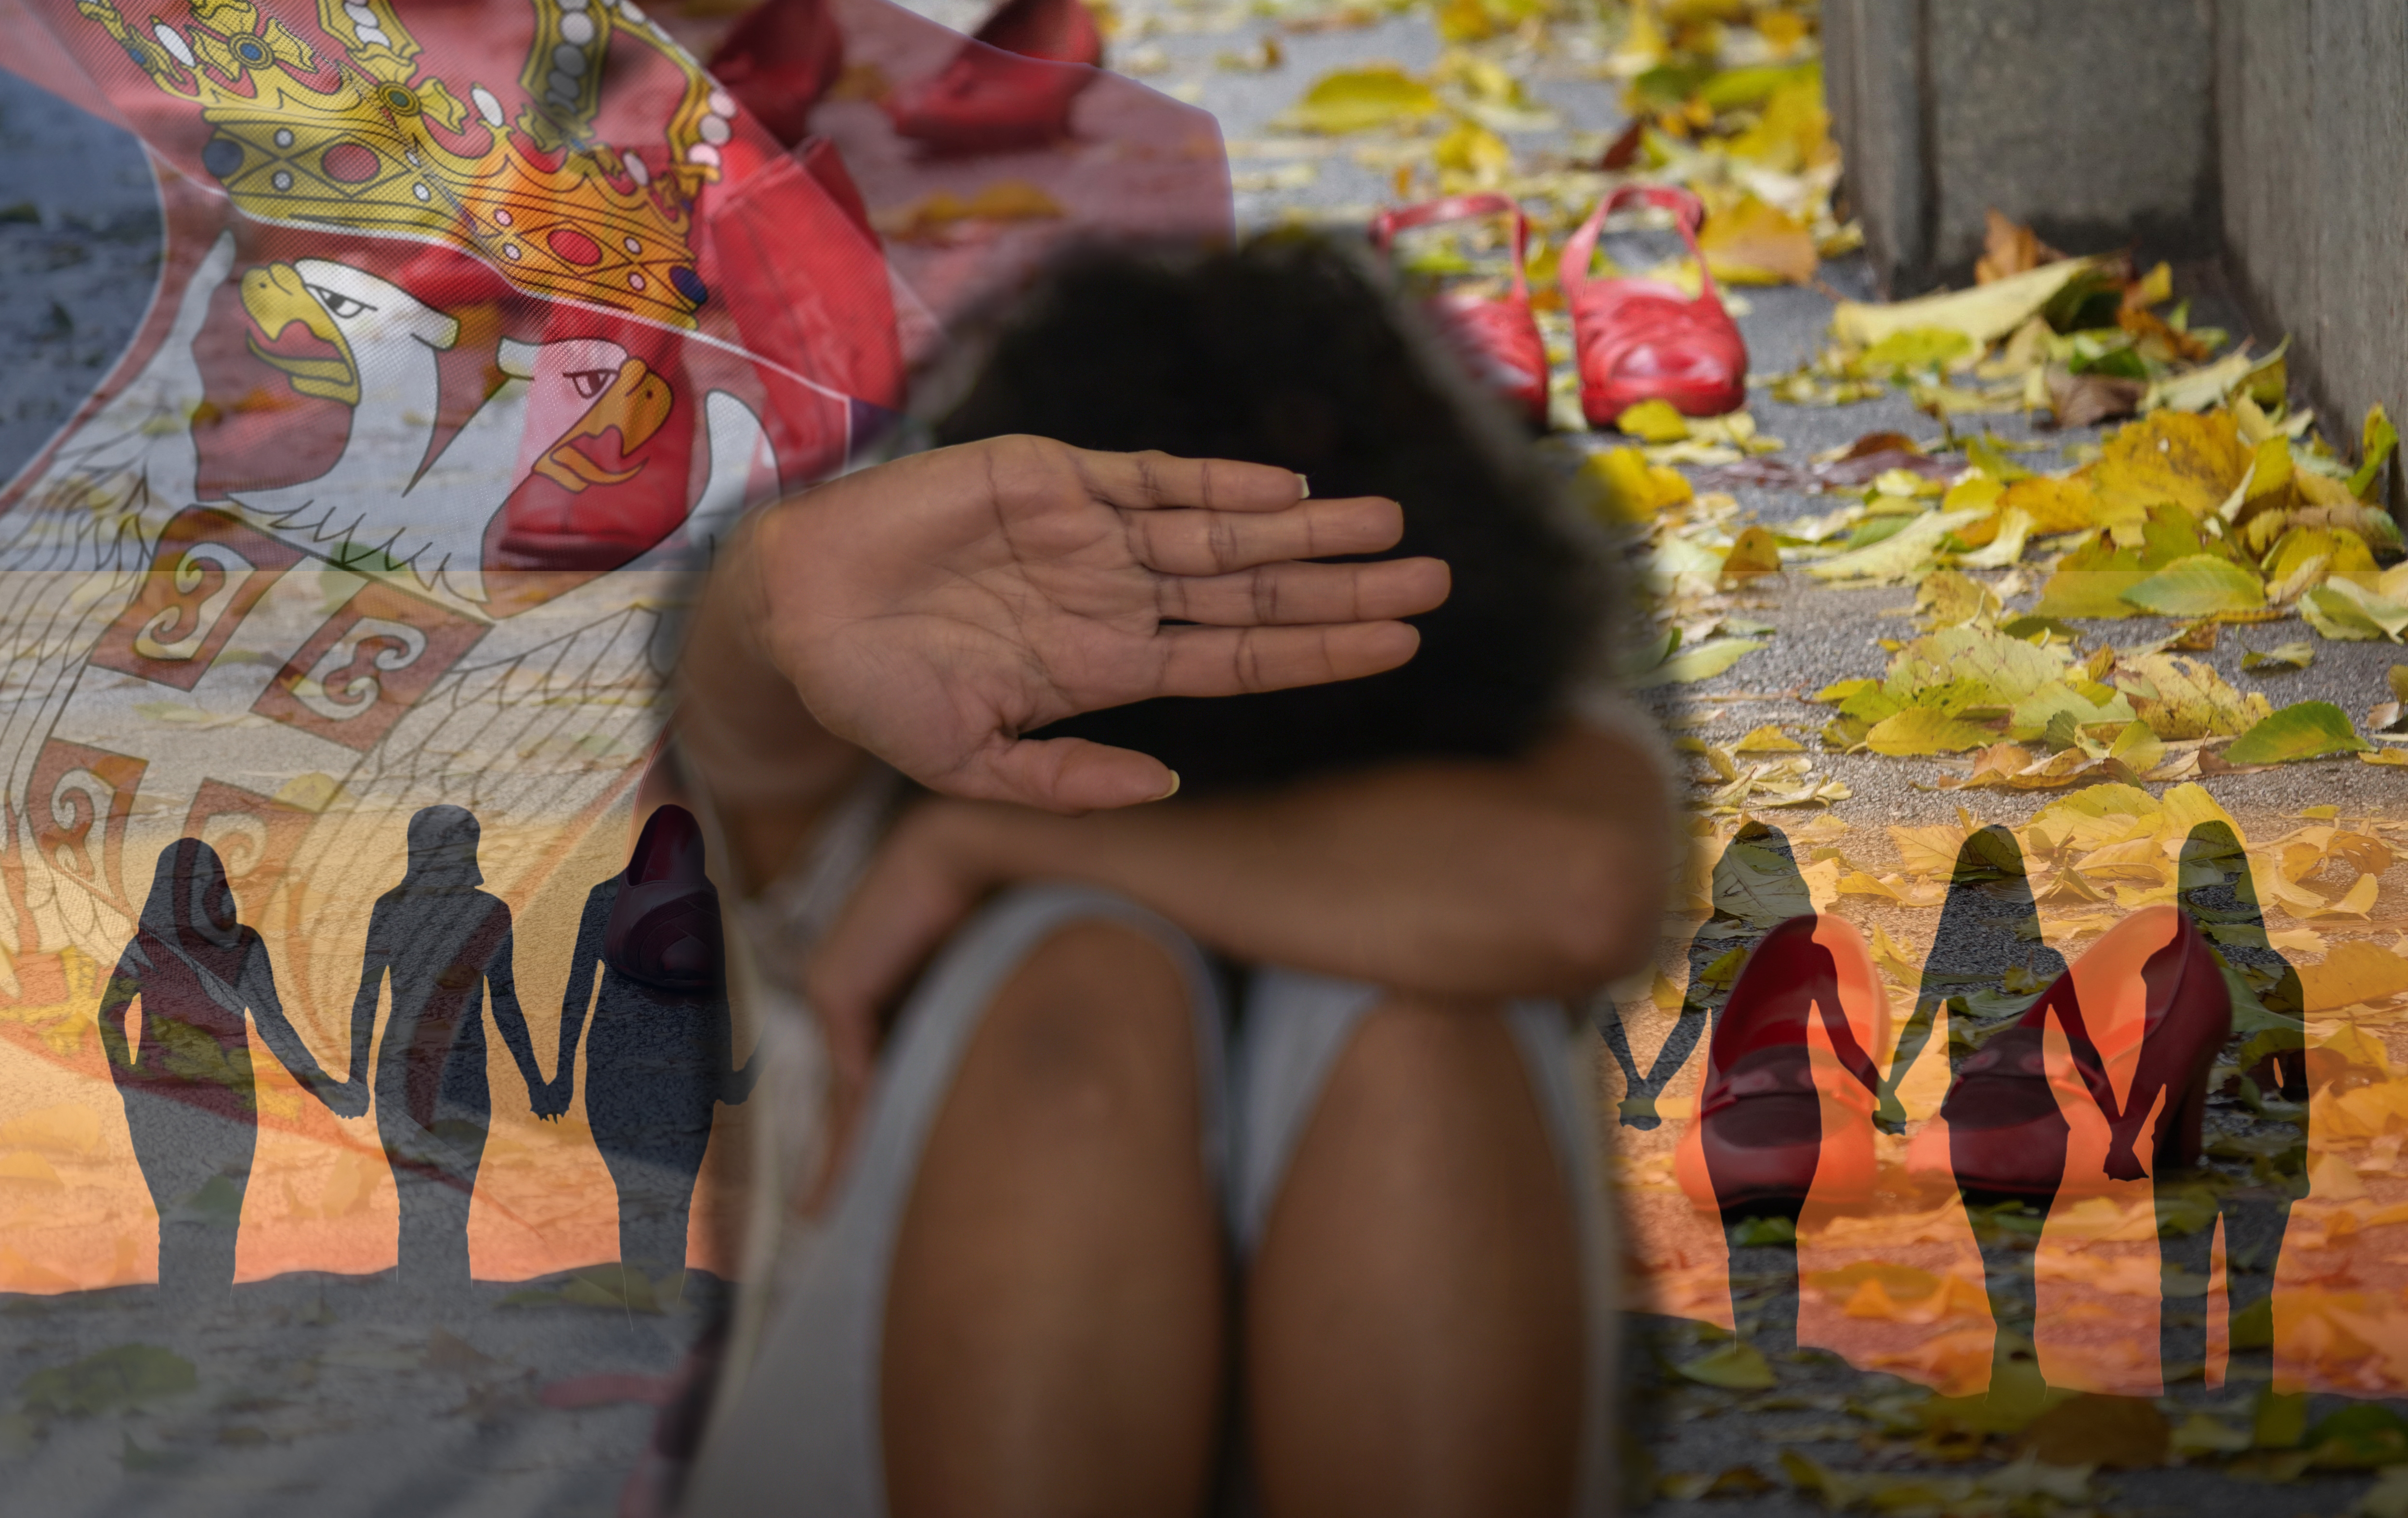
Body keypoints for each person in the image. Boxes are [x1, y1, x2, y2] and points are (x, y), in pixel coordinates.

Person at [673, 237, 1674, 1518]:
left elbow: (1582, 892)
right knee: (1086, 977)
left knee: (1417, 1009)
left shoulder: (1529, 758)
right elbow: (740, 710)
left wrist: (996, 843)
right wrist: (774, 591)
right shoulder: (883, 757)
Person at [97, 839, 357, 1300]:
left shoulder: (203, 946)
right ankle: (195, 1323)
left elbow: (274, 1026)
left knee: (201, 1223)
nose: (208, 890)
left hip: (200, 1103)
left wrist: (131, 1083)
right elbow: (110, 1015)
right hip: (188, 1103)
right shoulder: (170, 946)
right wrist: (129, 1083)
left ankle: (196, 1322)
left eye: (211, 880)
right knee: (195, 1223)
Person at [339, 805, 555, 1295]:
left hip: (408, 1072)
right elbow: (505, 1005)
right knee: (451, 1207)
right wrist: (535, 1083)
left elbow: (367, 998)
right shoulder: (487, 911)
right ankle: (445, 1312)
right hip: (457, 1072)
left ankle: (426, 1312)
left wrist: (356, 1078)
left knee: (416, 1205)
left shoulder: (392, 907)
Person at [551, 803, 759, 1285]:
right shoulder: (710, 900)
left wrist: (561, 1075)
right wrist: (728, 1071)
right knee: (676, 1200)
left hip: (613, 1069)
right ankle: (666, 1299)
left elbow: (577, 993)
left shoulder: (606, 897)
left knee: (634, 1198)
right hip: (687, 1072)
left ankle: (640, 1303)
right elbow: (722, 998)